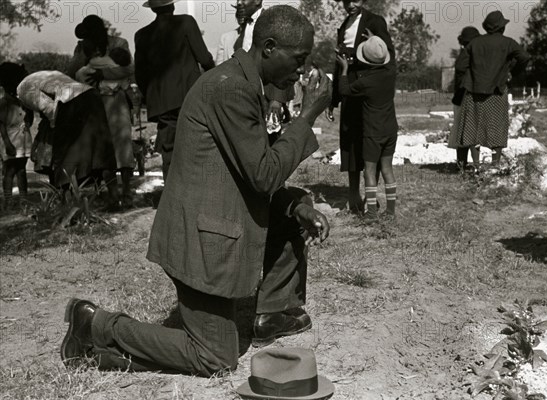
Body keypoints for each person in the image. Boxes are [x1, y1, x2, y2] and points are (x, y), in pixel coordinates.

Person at [60, 5, 332, 376]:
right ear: (268, 47)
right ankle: (95, 325)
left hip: (213, 223)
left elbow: (247, 173)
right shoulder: (231, 88)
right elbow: (264, 175)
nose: (301, 70)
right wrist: (307, 116)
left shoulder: (242, 83)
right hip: (200, 243)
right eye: (298, 59)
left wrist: (295, 204)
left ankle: (270, 313)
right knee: (216, 358)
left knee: (294, 206)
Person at [134, 0, 215, 184]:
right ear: (172, 6)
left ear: (153, 8)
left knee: (169, 152)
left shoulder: (141, 35)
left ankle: (172, 200)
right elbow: (204, 58)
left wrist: (154, 95)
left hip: (162, 103)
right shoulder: (186, 22)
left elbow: (140, 75)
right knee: (197, 146)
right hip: (190, 96)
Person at [14, 68, 120, 207]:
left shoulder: (23, 89)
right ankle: (114, 197)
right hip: (91, 95)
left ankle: (67, 203)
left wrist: (53, 129)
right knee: (101, 148)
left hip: (71, 102)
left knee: (63, 153)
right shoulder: (39, 75)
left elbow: (48, 108)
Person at [328, 0, 395, 213]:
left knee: (369, 146)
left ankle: (370, 199)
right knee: (351, 142)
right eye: (347, 1)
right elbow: (338, 64)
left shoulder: (374, 22)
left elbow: (386, 56)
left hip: (366, 91)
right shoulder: (345, 24)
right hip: (350, 89)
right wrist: (334, 98)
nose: (351, 5)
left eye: (356, 0)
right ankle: (353, 193)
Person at [68, 14, 136, 208]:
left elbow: (127, 69)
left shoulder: (119, 43)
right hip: (95, 103)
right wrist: (84, 54)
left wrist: (102, 73)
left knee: (123, 147)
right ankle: (113, 195)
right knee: (103, 149)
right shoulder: (83, 48)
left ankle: (127, 192)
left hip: (116, 100)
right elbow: (73, 72)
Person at [454, 11, 529, 167]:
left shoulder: (475, 43)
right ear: (502, 28)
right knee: (497, 127)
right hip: (497, 91)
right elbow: (524, 57)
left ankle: (475, 165)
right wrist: (512, 73)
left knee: (473, 129)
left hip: (474, 93)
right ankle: (495, 165)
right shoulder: (508, 43)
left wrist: (471, 78)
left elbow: (460, 66)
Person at [336, 35, 398, 220]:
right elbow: (391, 62)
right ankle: (390, 212)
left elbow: (344, 90)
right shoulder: (391, 74)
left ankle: (371, 214)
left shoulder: (364, 82)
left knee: (369, 172)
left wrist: (345, 70)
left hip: (372, 132)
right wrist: (379, 41)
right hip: (390, 130)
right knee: (387, 170)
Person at [233, 0, 296, 124]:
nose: (239, 3)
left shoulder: (274, 23)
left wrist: (277, 98)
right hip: (246, 96)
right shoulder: (245, 25)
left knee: (271, 139)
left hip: (269, 97)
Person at [447, 26, 481, 173]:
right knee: (470, 134)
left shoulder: (465, 54)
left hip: (462, 98)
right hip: (467, 98)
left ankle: (462, 164)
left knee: (463, 133)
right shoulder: (470, 55)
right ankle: (471, 164)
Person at [0, 63, 33, 210]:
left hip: (22, 139)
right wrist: (7, 143)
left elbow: (29, 118)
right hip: (11, 141)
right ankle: (8, 200)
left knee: (21, 170)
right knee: (10, 170)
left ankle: (23, 199)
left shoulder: (21, 102)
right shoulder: (4, 103)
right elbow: (1, 125)